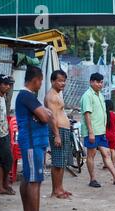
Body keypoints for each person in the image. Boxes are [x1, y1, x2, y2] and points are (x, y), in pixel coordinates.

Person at [15, 66, 56, 211]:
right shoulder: (28, 96)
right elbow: (45, 116)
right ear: (36, 80)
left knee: (27, 177)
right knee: (34, 180)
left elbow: (43, 115)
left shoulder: (25, 96)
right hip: (32, 142)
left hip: (31, 142)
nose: (41, 85)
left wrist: (43, 114)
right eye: (40, 81)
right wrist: (45, 114)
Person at [80, 72, 115, 188]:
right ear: (91, 82)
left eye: (101, 82)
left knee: (107, 153)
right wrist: (91, 132)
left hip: (101, 131)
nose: (100, 84)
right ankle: (92, 179)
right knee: (91, 155)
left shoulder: (100, 95)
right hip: (92, 132)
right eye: (98, 82)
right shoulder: (87, 96)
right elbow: (87, 114)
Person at [45, 70, 72, 199]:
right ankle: (55, 190)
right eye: (60, 80)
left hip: (63, 129)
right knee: (57, 162)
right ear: (53, 81)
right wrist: (56, 134)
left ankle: (60, 188)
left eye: (64, 80)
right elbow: (52, 117)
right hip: (58, 130)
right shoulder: (51, 96)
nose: (63, 83)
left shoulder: (58, 94)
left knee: (62, 162)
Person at [105, 100, 115, 168]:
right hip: (113, 136)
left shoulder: (103, 115)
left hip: (105, 135)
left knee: (105, 151)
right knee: (112, 150)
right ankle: (113, 165)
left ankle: (106, 164)